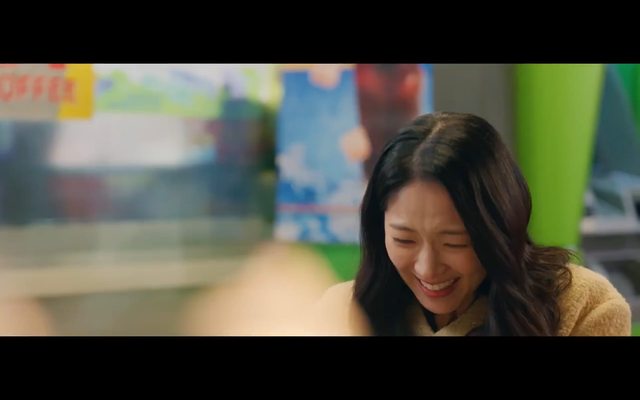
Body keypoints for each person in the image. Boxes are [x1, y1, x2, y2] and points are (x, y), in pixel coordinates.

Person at [314, 111, 632, 336]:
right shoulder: (341, 313)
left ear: (498, 229)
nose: (427, 268)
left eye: (454, 242)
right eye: (404, 240)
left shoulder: (582, 306)